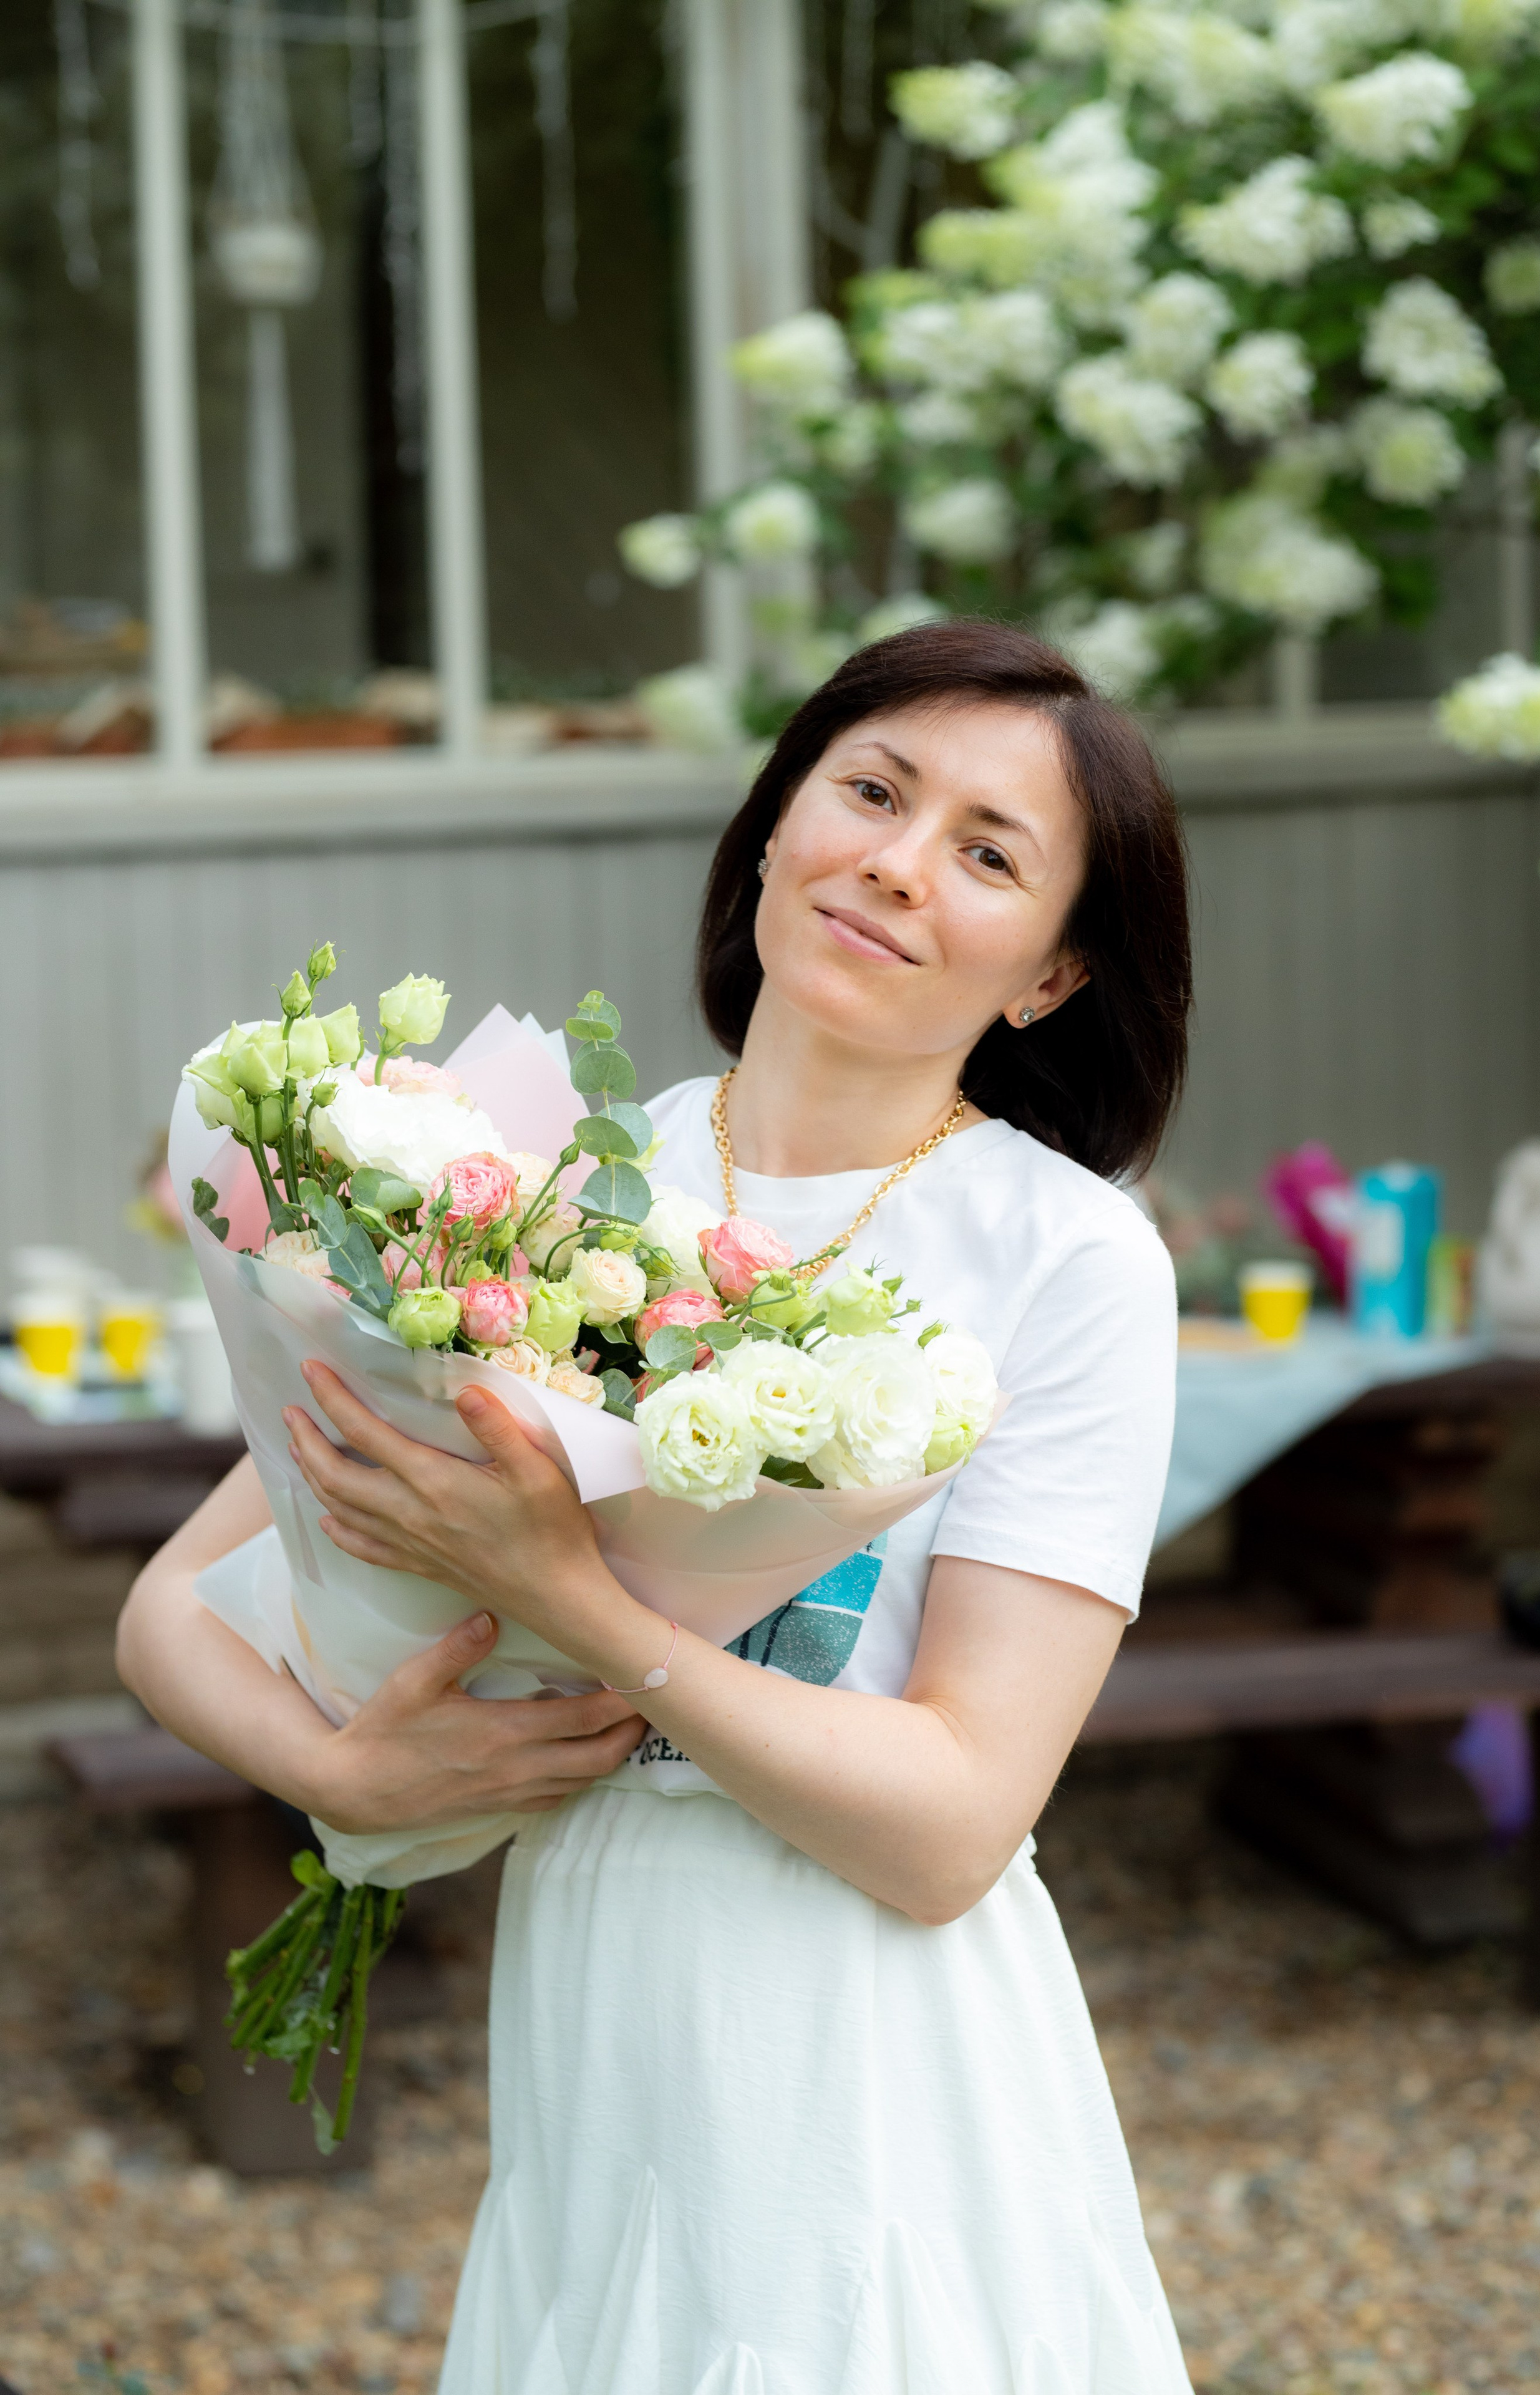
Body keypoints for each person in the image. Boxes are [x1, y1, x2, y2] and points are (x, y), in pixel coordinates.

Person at [119, 619, 1195, 2391]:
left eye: (989, 856)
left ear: (1053, 976)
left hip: (869, 2042)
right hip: (595, 1988)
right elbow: (169, 1614)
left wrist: (580, 1598)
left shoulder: (1068, 1260)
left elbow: (952, 1831)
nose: (898, 865)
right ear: (778, 820)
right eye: (872, 791)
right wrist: (344, 1774)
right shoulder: (535, 1179)